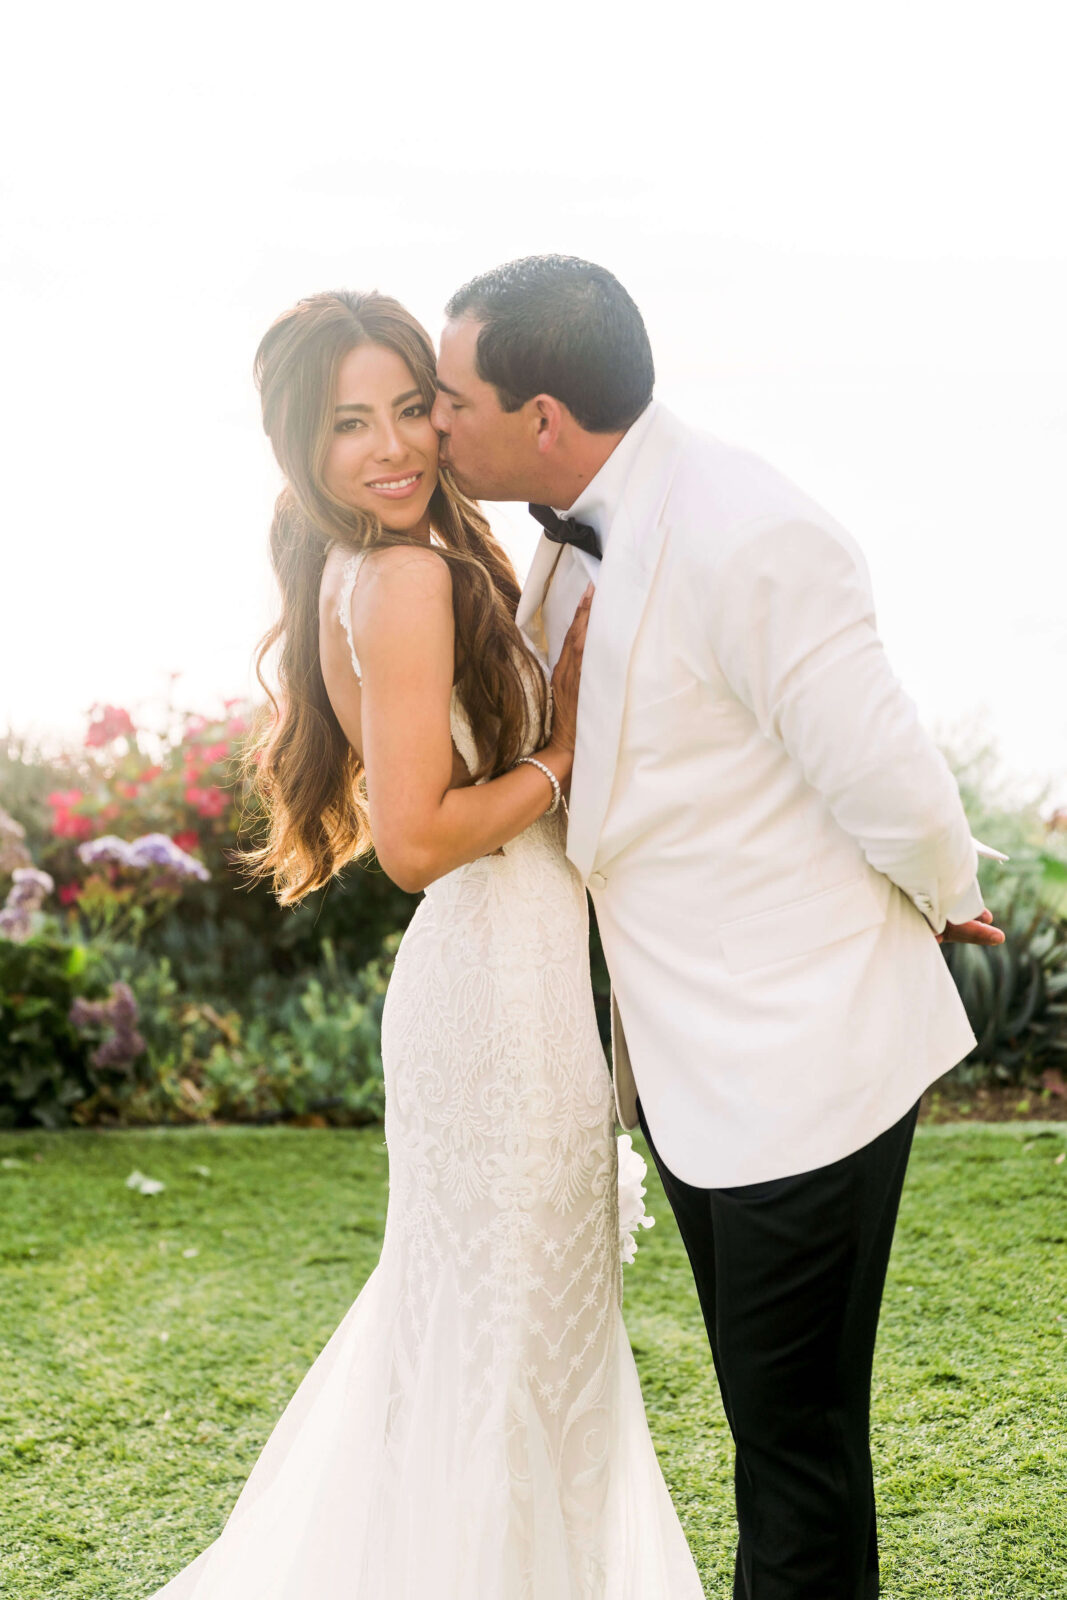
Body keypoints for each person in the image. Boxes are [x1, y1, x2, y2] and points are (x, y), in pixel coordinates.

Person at [432, 254, 1008, 1600]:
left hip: (807, 1061)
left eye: (452, 399)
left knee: (794, 1438)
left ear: (546, 420)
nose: (433, 422)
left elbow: (890, 775)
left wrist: (950, 902)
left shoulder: (749, 530)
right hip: (690, 1065)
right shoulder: (565, 531)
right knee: (771, 1425)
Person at [144, 290, 705, 1598]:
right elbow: (411, 840)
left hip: (507, 981)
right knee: (506, 1346)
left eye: (412, 407)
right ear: (301, 446)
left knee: (504, 1340)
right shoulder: (399, 578)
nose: (393, 445)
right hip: (493, 998)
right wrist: (562, 761)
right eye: (350, 424)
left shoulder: (391, 560)